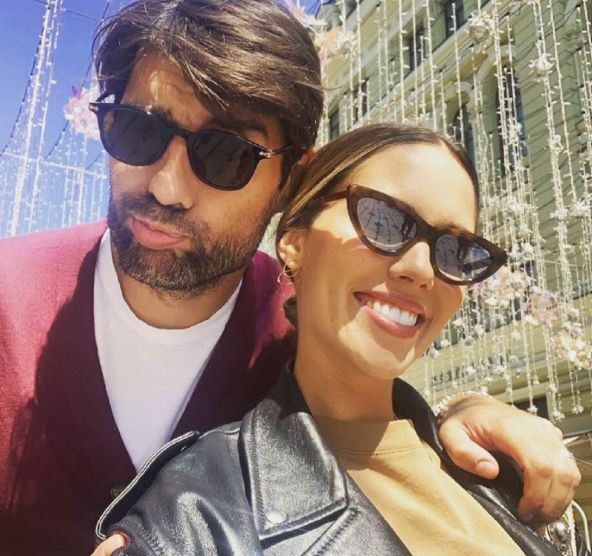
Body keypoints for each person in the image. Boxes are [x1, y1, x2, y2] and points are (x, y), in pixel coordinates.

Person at [0, 2, 579, 555]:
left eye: (225, 156)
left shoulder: (306, 325)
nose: (166, 188)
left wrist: (458, 418)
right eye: (137, 132)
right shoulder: (10, 295)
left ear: (290, 183)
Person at [93, 123, 586, 556]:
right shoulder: (196, 515)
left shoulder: (504, 470)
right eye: (383, 219)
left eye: (456, 251)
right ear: (295, 242)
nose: (420, 270)